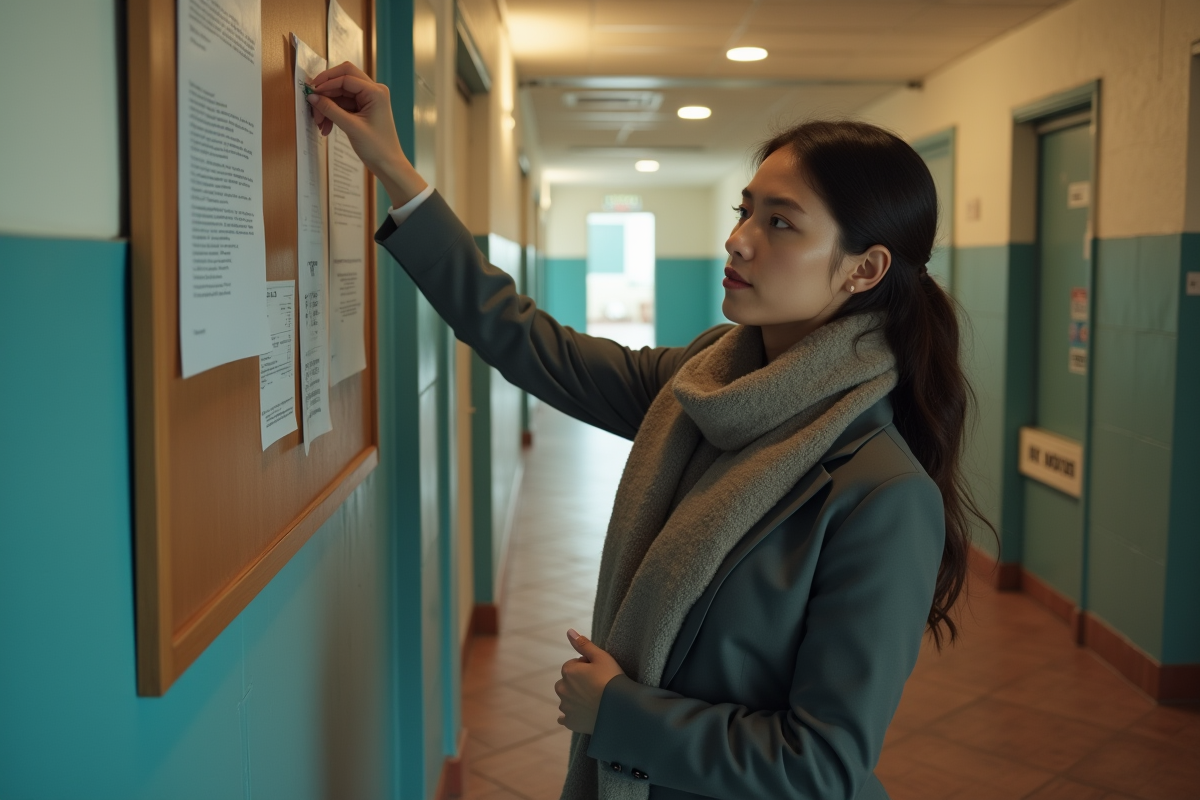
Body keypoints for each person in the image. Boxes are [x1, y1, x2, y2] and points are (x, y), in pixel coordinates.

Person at [306, 62, 988, 800]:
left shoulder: (881, 495)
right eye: (745, 209)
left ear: (865, 269)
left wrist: (620, 713)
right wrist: (396, 172)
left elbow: (820, 767)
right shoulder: (703, 384)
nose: (738, 240)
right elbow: (526, 340)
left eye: (780, 222)